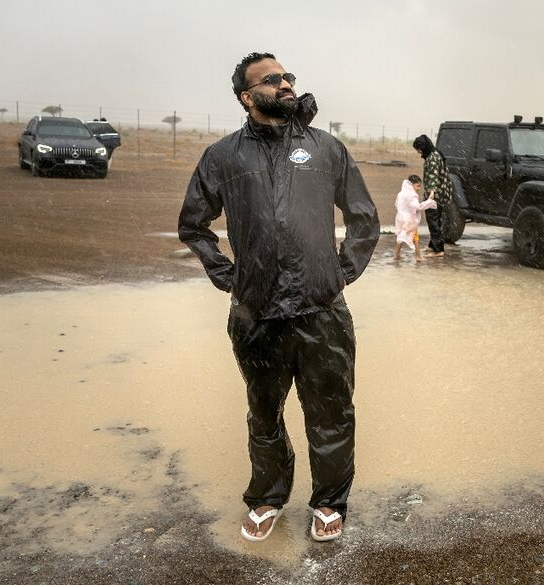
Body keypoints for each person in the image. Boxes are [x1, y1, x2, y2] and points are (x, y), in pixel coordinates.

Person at [178, 52, 380, 543]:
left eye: (288, 76)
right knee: (264, 414)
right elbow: (193, 225)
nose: (286, 83)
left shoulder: (325, 149)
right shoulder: (223, 157)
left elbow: (364, 218)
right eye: (272, 79)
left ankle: (330, 501)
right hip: (257, 313)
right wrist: (229, 276)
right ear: (248, 97)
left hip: (322, 312)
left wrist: (340, 272)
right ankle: (268, 495)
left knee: (331, 411)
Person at [412, 134, 453, 257]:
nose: (418, 152)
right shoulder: (435, 154)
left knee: (433, 221)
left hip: (435, 196)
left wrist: (431, 193)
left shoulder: (432, 158)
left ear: (423, 148)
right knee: (437, 220)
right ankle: (432, 245)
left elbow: (433, 176)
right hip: (441, 194)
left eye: (419, 149)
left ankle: (438, 250)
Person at [394, 175, 437, 261]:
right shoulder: (412, 195)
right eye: (417, 186)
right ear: (411, 184)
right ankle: (418, 256)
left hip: (401, 218)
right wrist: (429, 201)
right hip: (410, 220)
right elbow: (418, 207)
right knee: (415, 238)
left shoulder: (401, 193)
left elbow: (397, 205)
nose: (419, 188)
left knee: (401, 236)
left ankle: (396, 255)